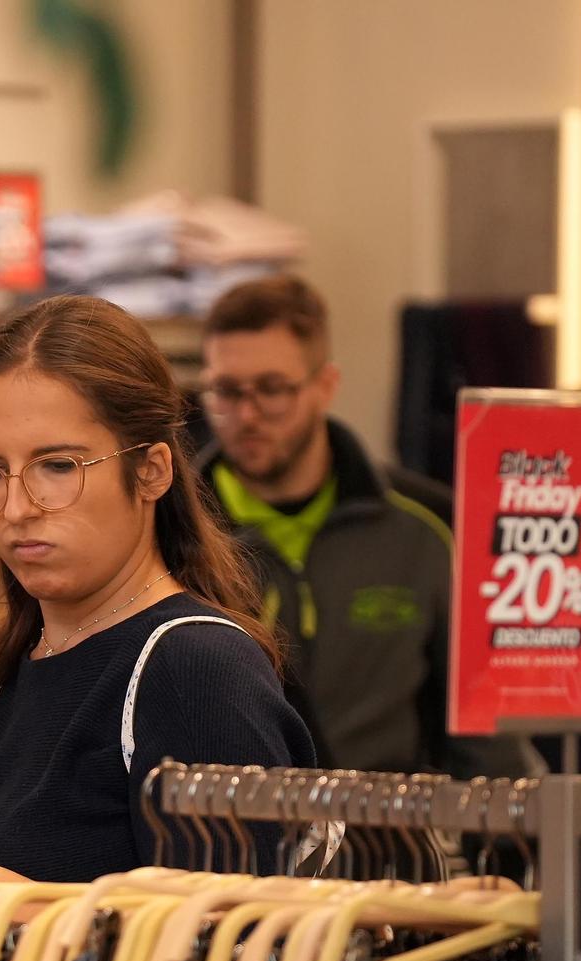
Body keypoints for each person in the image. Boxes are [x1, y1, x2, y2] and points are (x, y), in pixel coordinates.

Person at [0, 295, 315, 935]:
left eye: (57, 466)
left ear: (152, 469)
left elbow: (241, 949)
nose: (18, 506)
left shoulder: (194, 669)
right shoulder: (33, 665)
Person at [196, 272, 490, 774]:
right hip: (220, 841)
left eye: (271, 389)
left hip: (390, 838)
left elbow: (476, 723)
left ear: (325, 386)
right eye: (225, 391)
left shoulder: (423, 529)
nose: (246, 415)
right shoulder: (174, 528)